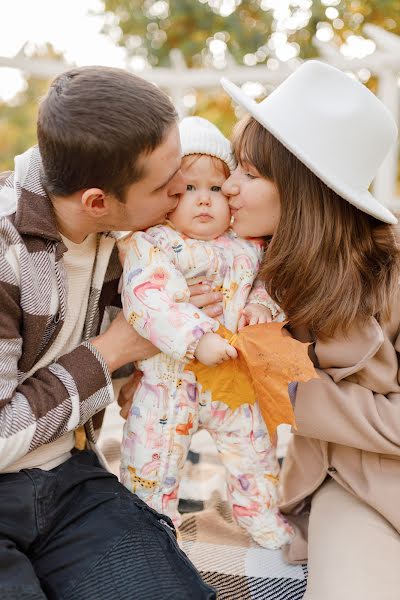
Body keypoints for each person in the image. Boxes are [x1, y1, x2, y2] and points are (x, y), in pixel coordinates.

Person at [0, 66, 217, 599]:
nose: (181, 189)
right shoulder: (5, 250)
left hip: (70, 477)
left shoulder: (128, 241)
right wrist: (112, 350)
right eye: (168, 184)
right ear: (97, 201)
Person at [209, 60, 400, 599]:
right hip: (345, 490)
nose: (227, 186)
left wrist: (290, 387)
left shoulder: (392, 273)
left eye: (249, 173)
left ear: (302, 190)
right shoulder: (257, 272)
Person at [118, 116, 293, 549]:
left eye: (215, 189)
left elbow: (268, 282)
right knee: (151, 465)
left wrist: (259, 306)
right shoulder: (152, 243)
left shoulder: (249, 245)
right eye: (187, 190)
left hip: (233, 384)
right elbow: (148, 299)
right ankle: (150, 537)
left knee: (254, 455)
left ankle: (265, 521)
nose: (203, 201)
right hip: (168, 385)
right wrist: (198, 338)